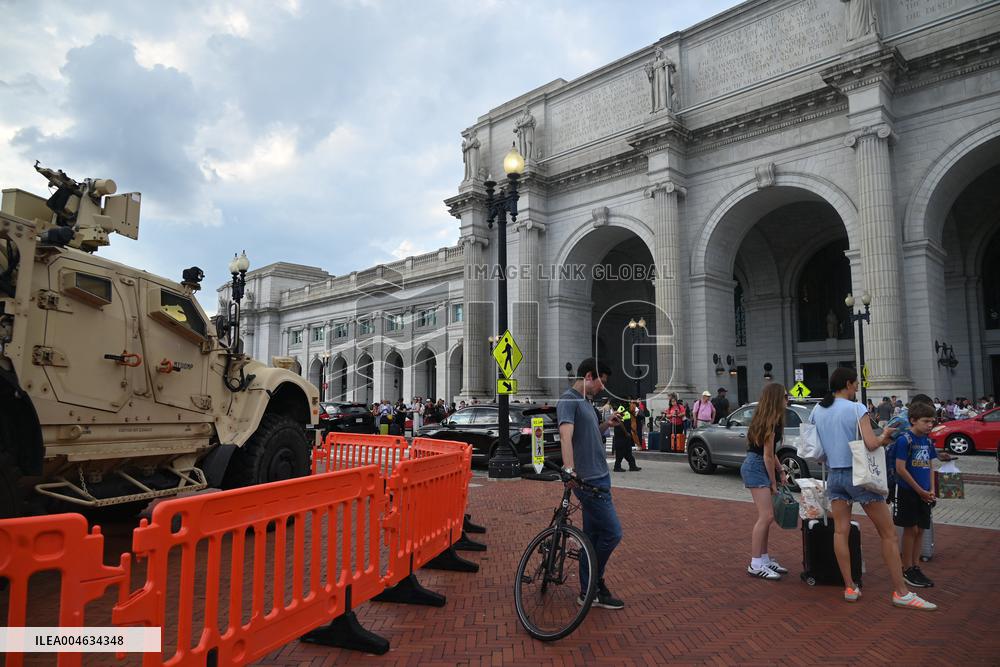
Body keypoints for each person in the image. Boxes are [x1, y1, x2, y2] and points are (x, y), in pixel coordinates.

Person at [811, 367, 936, 610]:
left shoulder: (818, 409)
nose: (857, 387)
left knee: (840, 532)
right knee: (887, 534)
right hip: (859, 475)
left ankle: (849, 586)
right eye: (856, 383)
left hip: (834, 475)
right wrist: (885, 436)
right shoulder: (856, 408)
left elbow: (818, 450)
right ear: (848, 383)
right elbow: (870, 443)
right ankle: (901, 591)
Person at [557, 357, 626, 610]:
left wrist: (607, 423)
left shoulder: (585, 403)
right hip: (588, 481)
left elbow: (589, 434)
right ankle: (595, 581)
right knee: (612, 533)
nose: (602, 388)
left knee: (592, 536)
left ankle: (590, 590)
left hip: (600, 477)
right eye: (601, 382)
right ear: (588, 376)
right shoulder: (569, 400)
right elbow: (567, 436)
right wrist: (569, 470)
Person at [893, 401, 954, 589]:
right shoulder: (905, 440)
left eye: (932, 421)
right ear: (913, 420)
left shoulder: (927, 441)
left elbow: (929, 465)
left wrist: (931, 490)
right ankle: (907, 568)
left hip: (924, 492)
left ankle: (916, 566)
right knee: (910, 530)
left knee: (921, 529)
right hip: (908, 491)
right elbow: (900, 469)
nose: (930, 425)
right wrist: (919, 490)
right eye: (926, 421)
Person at [739, 382, 789, 580]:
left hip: (756, 464)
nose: (787, 399)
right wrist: (773, 481)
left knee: (767, 517)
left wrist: (781, 470)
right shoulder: (772, 421)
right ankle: (756, 562)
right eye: (785, 396)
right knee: (766, 516)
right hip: (756, 467)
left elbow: (770, 454)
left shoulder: (768, 419)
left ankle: (764, 559)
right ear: (777, 398)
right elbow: (767, 456)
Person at [611, 401, 641, 472]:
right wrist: (626, 432)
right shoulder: (623, 411)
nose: (631, 405)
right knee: (621, 452)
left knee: (627, 451)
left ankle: (632, 466)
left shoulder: (622, 411)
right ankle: (617, 467)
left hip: (623, 435)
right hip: (622, 435)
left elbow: (626, 423)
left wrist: (631, 431)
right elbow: (621, 423)